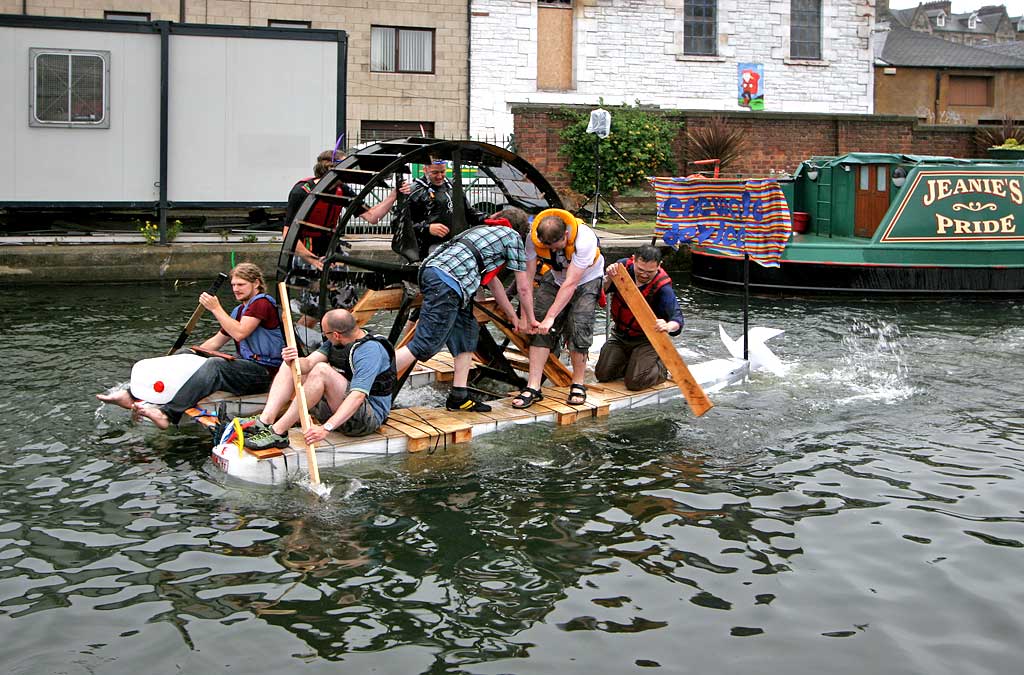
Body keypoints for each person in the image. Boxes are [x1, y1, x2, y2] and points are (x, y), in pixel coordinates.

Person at [97, 263, 286, 429]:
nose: (236, 289)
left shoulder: (262, 303)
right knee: (186, 353)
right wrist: (191, 356)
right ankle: (133, 394)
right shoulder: (240, 310)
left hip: (265, 373)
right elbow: (216, 341)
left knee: (215, 365)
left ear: (256, 284)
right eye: (233, 285)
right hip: (247, 368)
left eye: (241, 285)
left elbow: (240, 332)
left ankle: (167, 414)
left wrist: (215, 308)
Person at [392, 207, 536, 412]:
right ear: (521, 230)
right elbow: (523, 286)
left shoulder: (481, 231)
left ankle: (459, 396)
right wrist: (528, 319)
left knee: (467, 333)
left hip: (437, 275)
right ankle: (370, 379)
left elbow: (494, 284)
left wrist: (513, 316)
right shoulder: (512, 236)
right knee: (425, 344)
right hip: (448, 283)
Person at [245, 308, 396, 450]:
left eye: (325, 333)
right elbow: (308, 364)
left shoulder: (369, 351)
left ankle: (278, 433)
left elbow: (357, 396)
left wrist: (326, 428)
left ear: (336, 334)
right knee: (290, 366)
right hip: (339, 408)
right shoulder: (336, 342)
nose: (324, 337)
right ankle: (265, 421)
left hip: (365, 420)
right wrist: (293, 359)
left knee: (321, 370)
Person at [511, 209, 604, 409]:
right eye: (548, 247)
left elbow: (571, 284)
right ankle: (533, 386)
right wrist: (527, 315)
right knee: (538, 322)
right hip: (554, 277)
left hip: (586, 280)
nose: (553, 250)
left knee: (580, 323)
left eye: (557, 245)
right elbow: (526, 278)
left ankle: (578, 382)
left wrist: (551, 317)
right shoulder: (532, 239)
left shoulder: (584, 239)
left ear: (566, 235)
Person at [285, 149, 399, 270]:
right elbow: (288, 234)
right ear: (332, 168)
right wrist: (312, 259)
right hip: (306, 250)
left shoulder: (342, 190)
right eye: (347, 167)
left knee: (344, 285)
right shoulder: (302, 191)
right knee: (315, 284)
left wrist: (394, 195)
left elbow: (372, 216)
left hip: (331, 248)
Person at [595, 245, 684, 391]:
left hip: (647, 340)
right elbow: (602, 293)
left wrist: (668, 326)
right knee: (603, 374)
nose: (644, 275)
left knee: (634, 383)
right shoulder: (622, 268)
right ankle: (630, 363)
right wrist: (609, 278)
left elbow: (678, 318)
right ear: (633, 260)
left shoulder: (663, 288)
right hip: (620, 335)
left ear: (659, 266)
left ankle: (661, 368)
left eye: (650, 272)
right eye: (640, 270)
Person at [404, 159, 487, 261]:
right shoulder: (415, 191)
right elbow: (400, 225)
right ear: (425, 170)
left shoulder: (452, 186)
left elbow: (468, 212)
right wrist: (427, 228)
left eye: (442, 172)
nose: (439, 176)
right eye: (435, 172)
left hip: (456, 243)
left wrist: (487, 218)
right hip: (427, 250)